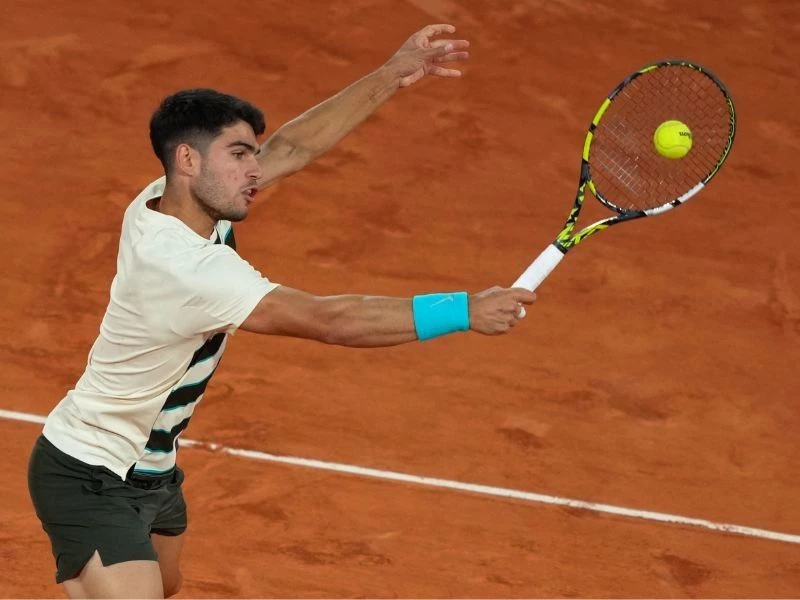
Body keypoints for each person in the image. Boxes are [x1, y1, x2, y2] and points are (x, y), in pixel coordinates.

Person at [27, 24, 536, 599]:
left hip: (153, 467)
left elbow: (293, 147)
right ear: (190, 159)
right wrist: (463, 309)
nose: (256, 169)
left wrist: (393, 72)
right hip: (88, 474)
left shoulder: (167, 198)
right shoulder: (184, 266)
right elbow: (328, 319)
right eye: (239, 155)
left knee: (164, 586)